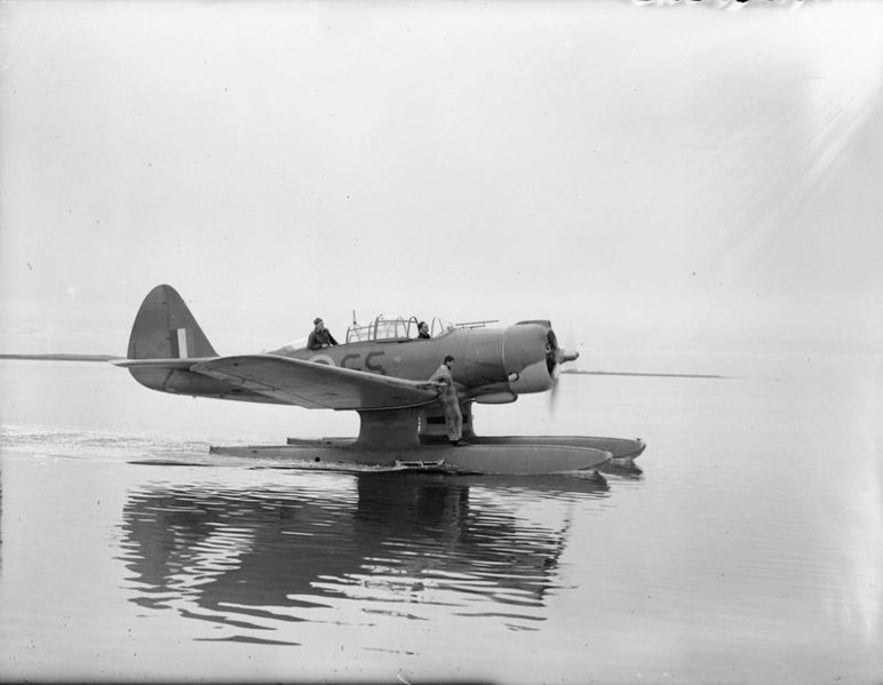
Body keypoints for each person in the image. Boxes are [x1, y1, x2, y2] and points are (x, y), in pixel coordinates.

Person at [429, 355, 465, 446]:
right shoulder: (442, 371)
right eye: (452, 362)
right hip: (448, 397)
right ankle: (454, 439)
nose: (453, 364)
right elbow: (435, 381)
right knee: (452, 418)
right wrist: (443, 394)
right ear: (447, 362)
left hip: (451, 397)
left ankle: (457, 437)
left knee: (456, 416)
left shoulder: (446, 371)